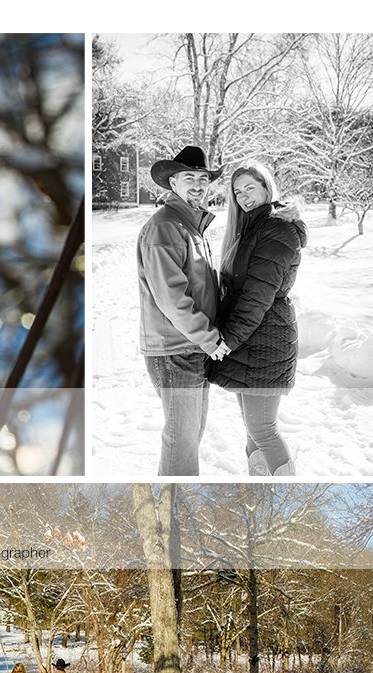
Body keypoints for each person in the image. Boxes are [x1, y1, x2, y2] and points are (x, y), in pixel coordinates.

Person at [207, 160, 307, 476]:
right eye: (237, 192)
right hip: (252, 340)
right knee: (253, 430)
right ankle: (259, 488)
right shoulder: (253, 227)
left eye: (250, 187)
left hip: (266, 341)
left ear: (267, 187)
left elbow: (257, 295)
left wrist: (227, 340)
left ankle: (285, 493)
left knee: (263, 429)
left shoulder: (275, 229)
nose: (244, 196)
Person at [137, 145, 231, 475]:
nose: (197, 184)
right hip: (175, 351)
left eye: (202, 178)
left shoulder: (191, 227)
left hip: (192, 347)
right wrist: (209, 338)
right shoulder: (166, 227)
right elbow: (172, 297)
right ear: (172, 183)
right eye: (188, 177)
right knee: (181, 442)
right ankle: (169, 519)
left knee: (189, 440)